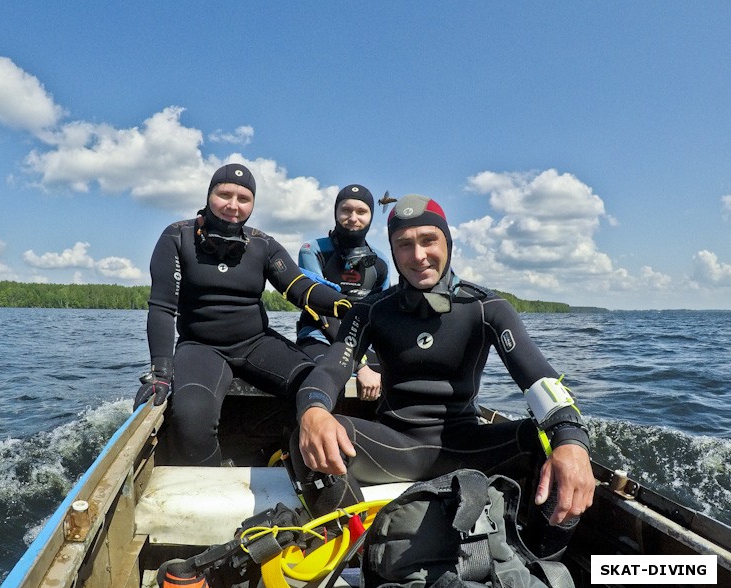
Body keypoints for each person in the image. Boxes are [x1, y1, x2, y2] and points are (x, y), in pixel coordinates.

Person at [290, 194, 594, 558]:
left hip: (465, 446)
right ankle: (359, 559)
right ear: (393, 251)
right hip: (394, 445)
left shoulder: (486, 308)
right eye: (404, 244)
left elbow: (539, 379)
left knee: (550, 447)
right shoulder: (371, 311)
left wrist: (573, 440)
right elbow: (330, 369)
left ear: (447, 243)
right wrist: (313, 411)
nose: (418, 256)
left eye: (428, 240)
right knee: (308, 439)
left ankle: (539, 567)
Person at [134, 163, 352, 466]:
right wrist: (160, 371)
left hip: (255, 342)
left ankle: (293, 460)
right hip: (200, 347)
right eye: (224, 195)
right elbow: (162, 307)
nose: (233, 206)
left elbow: (299, 288)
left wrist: (346, 305)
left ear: (252, 204)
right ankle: (210, 488)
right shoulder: (177, 236)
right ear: (209, 195)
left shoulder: (263, 244)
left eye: (244, 198)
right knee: (190, 417)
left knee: (317, 385)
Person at [296, 184, 390, 401]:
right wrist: (361, 364)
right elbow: (320, 309)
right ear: (336, 213)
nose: (353, 217)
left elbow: (382, 316)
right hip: (319, 336)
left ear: (371, 216)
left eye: (361, 211)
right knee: (326, 373)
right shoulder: (313, 250)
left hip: (363, 342)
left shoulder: (381, 261)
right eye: (346, 210)